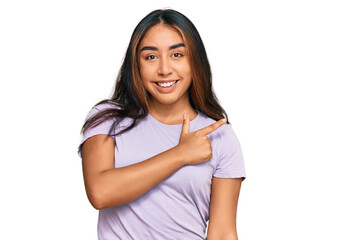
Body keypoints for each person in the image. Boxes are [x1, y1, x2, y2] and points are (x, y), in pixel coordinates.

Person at [78, 9, 246, 239]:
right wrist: (180, 154)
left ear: (195, 61)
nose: (164, 69)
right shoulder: (108, 119)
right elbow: (100, 192)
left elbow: (223, 232)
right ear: (135, 65)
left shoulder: (219, 136)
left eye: (177, 55)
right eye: (151, 57)